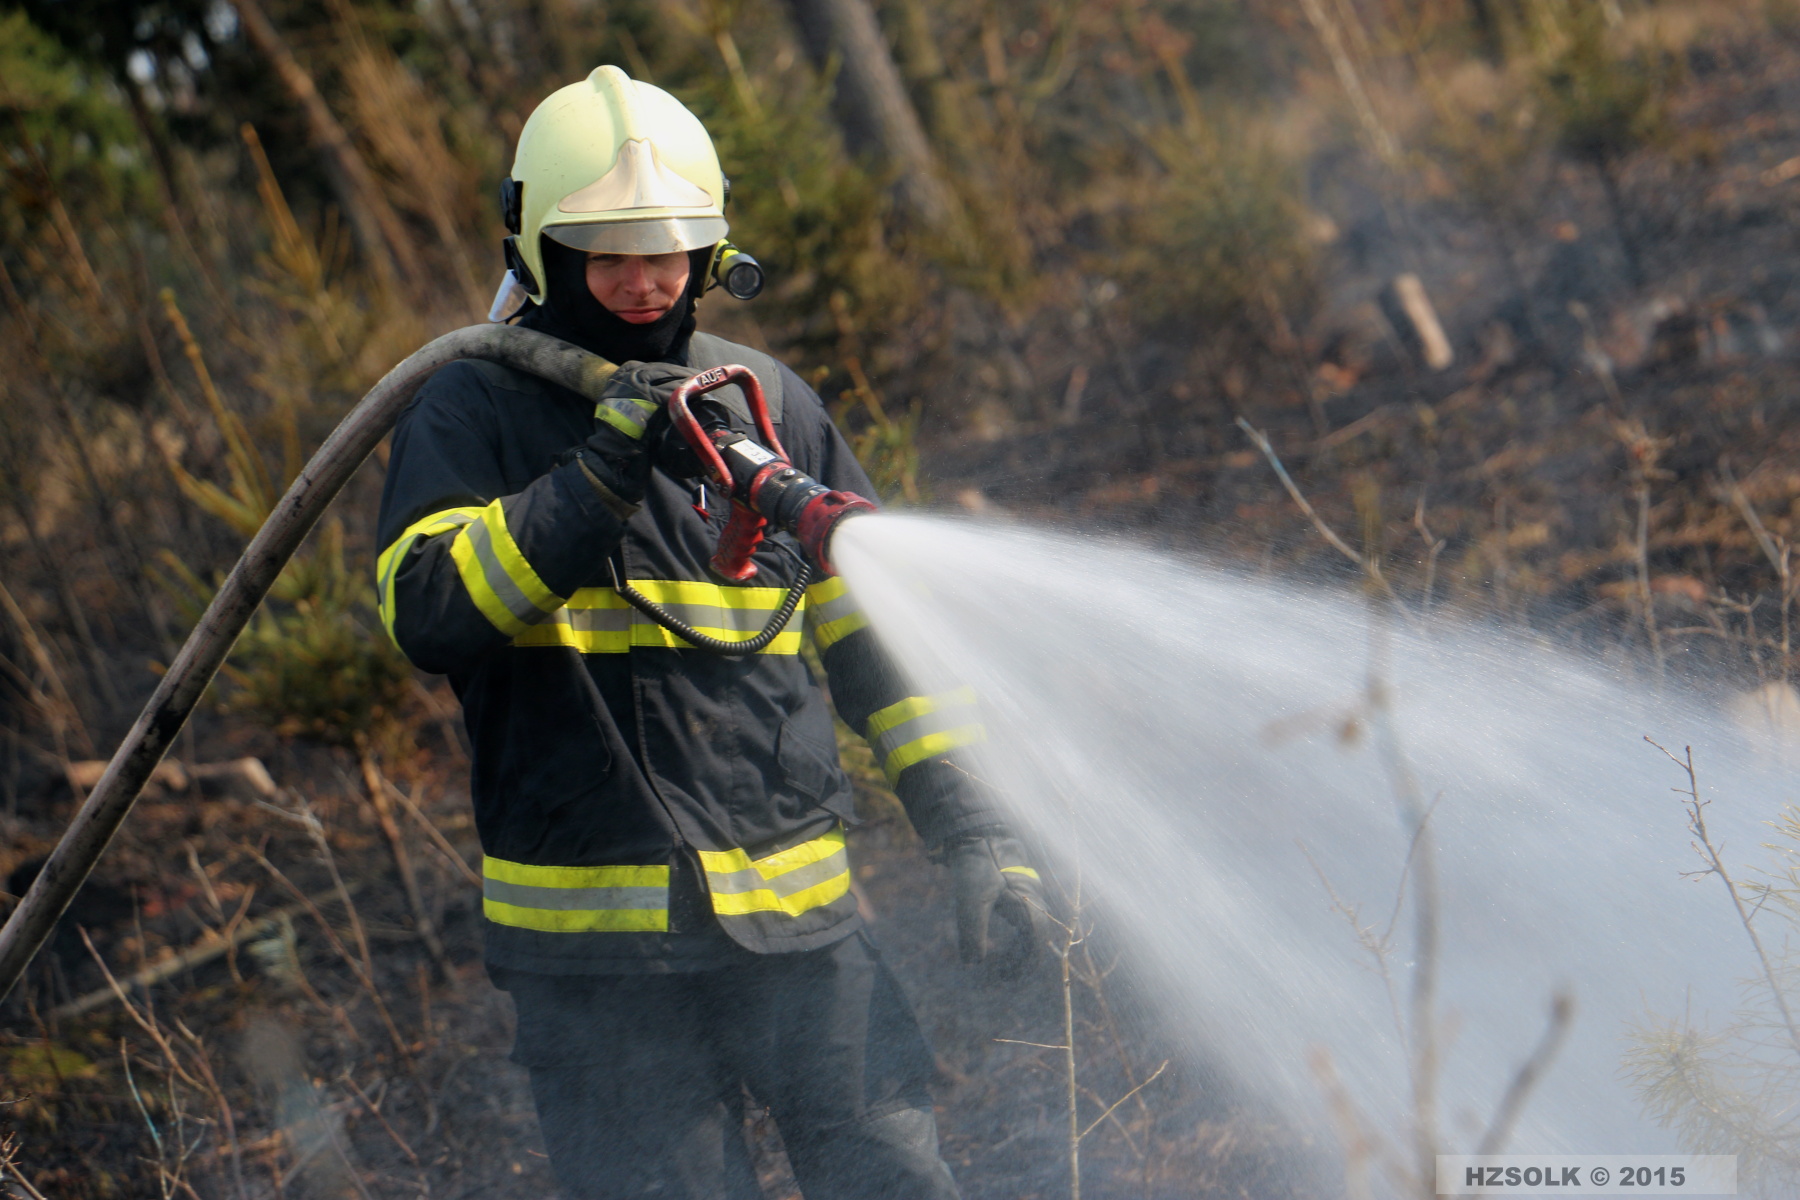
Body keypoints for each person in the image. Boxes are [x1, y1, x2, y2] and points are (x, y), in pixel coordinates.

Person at [375, 66, 1046, 1199]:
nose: (644, 283)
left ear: (711, 249)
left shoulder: (768, 403)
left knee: (894, 1176)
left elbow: (881, 640)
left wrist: (971, 828)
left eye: (669, 250)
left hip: (801, 934)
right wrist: (593, 480)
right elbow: (429, 607)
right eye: (611, 254)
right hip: (597, 965)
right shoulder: (471, 406)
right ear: (542, 249)